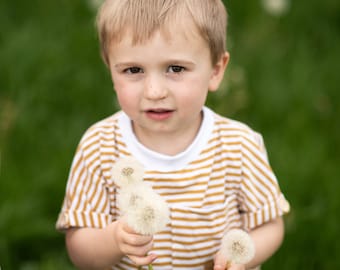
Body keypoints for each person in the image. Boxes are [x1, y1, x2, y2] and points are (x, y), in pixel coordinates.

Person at [56, 0, 290, 269]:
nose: (154, 91)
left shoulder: (239, 146)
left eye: (176, 69)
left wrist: (242, 256)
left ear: (216, 71)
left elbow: (270, 225)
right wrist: (113, 240)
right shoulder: (99, 147)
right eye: (133, 70)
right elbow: (79, 249)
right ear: (110, 69)